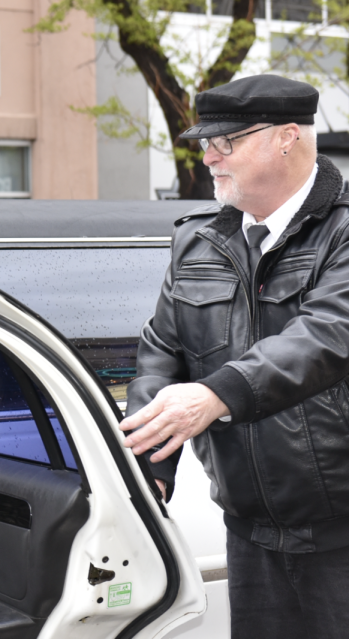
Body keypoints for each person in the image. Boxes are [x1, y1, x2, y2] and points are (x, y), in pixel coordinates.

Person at [121, 74, 349, 638]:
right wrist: (151, 466)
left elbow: (327, 334)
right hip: (248, 533)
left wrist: (216, 394)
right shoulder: (197, 241)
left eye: (227, 142)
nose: (209, 157)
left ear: (286, 137)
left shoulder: (342, 232)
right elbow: (160, 358)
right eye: (204, 144)